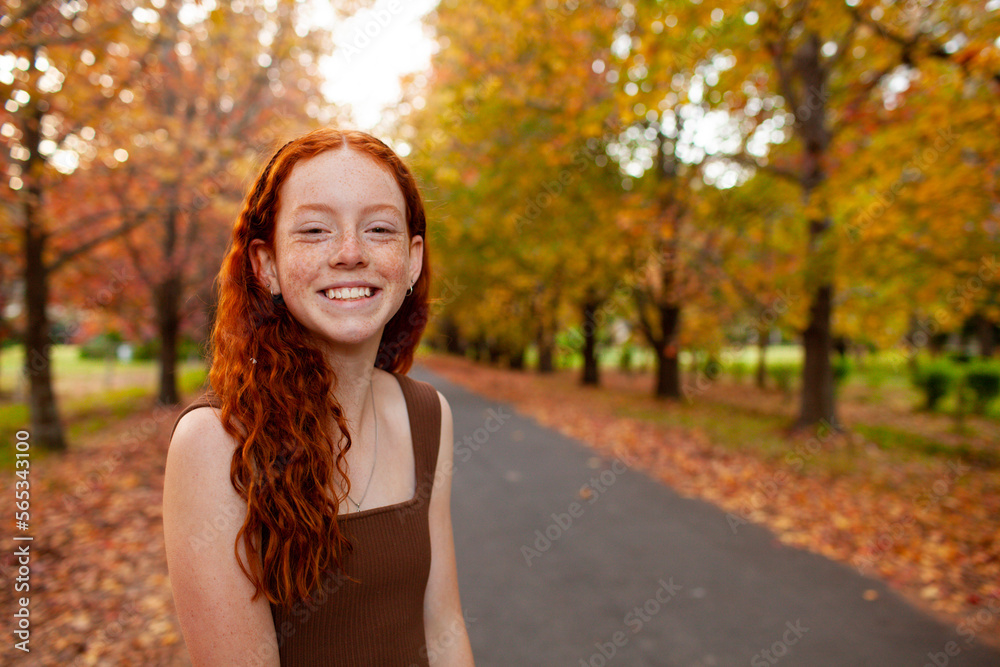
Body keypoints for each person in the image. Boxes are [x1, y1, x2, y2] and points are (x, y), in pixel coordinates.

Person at [162, 128, 475, 666]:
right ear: (266, 265)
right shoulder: (215, 443)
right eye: (314, 230)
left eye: (379, 229)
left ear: (412, 259)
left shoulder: (429, 415)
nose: (350, 253)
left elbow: (443, 623)